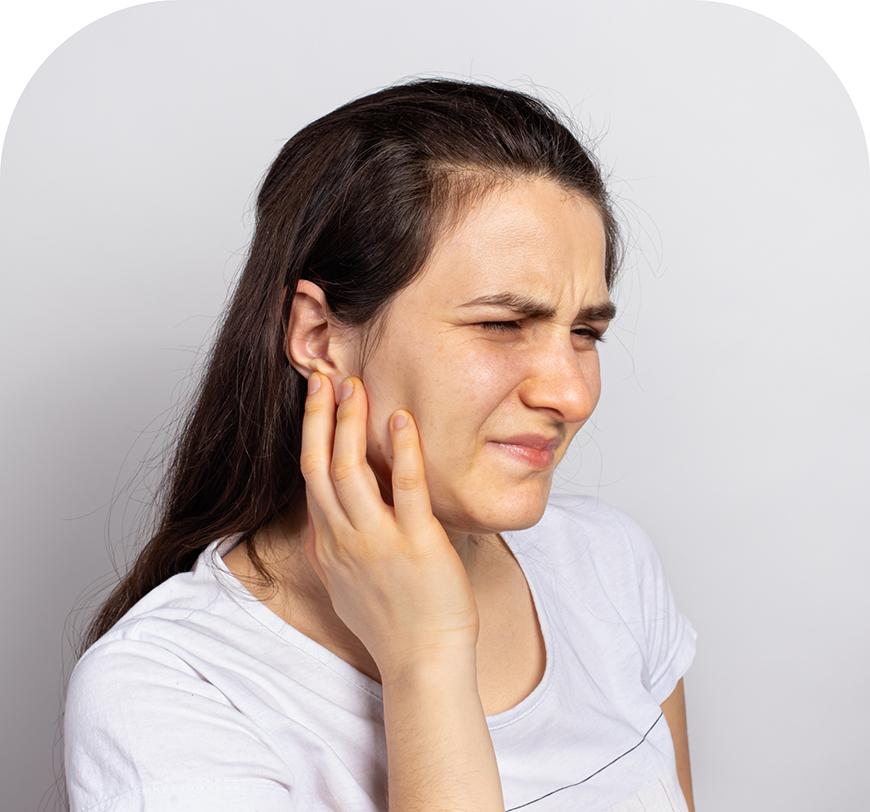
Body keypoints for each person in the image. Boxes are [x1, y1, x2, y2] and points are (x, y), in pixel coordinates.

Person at [64, 79, 696, 812]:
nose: (572, 394)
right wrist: (425, 662)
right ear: (318, 336)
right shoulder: (170, 693)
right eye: (500, 325)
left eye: (585, 333)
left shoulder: (611, 566)